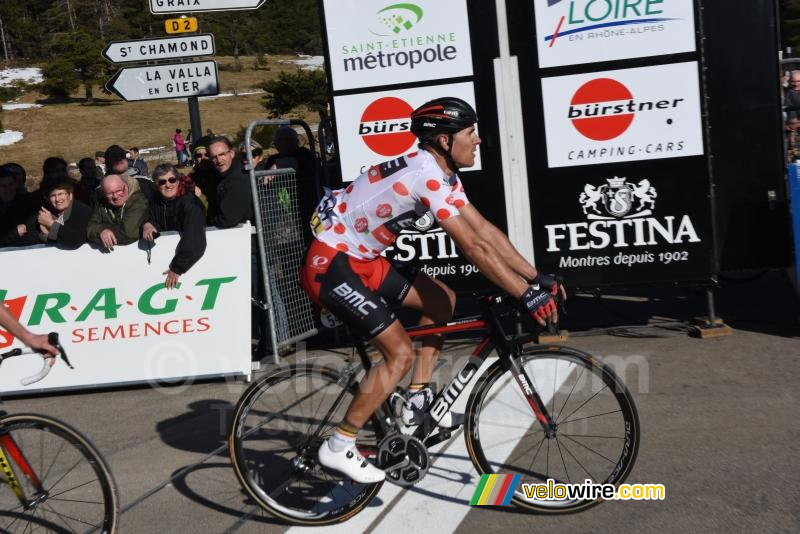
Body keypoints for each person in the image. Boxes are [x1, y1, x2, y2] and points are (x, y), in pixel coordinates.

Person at [299, 97, 564, 483]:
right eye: (470, 133)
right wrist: (525, 294)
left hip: (363, 258)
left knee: (443, 301)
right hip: (332, 263)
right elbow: (472, 248)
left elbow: (485, 231)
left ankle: (416, 401)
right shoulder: (426, 175)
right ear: (444, 141)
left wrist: (535, 277)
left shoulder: (443, 175)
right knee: (400, 352)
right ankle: (339, 443)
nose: (477, 141)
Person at [141, 163, 207, 289]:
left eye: (172, 180)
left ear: (178, 182)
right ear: (156, 184)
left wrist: (177, 268)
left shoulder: (190, 204)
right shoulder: (156, 201)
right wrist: (148, 224)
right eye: (162, 182)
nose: (168, 185)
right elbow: (150, 218)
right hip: (165, 262)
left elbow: (194, 239)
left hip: (187, 265)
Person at [21, 178, 91, 249]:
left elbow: (75, 240)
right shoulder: (46, 212)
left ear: (70, 196)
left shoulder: (82, 210)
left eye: (60, 194)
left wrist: (51, 224)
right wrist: (46, 234)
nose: (57, 199)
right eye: (53, 196)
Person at [86, 174, 150, 251]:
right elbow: (90, 227)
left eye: (118, 191)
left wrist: (105, 230)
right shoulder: (101, 204)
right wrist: (101, 231)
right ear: (103, 193)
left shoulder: (138, 201)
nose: (115, 196)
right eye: (109, 193)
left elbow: (129, 233)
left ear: (125, 187)